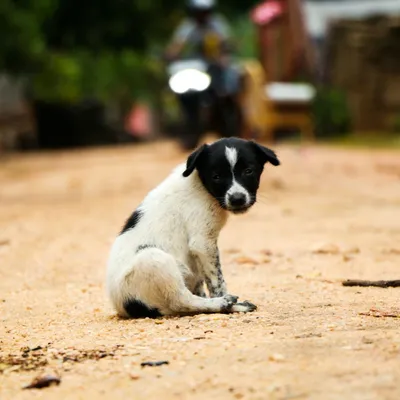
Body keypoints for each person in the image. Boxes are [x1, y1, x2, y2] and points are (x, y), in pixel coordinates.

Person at [165, 0, 242, 149]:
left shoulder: (217, 24)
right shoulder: (188, 26)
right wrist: (171, 54)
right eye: (198, 12)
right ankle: (190, 131)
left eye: (204, 12)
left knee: (225, 90)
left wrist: (223, 53)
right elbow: (177, 44)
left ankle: (227, 119)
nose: (201, 16)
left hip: (216, 67)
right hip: (198, 67)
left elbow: (225, 42)